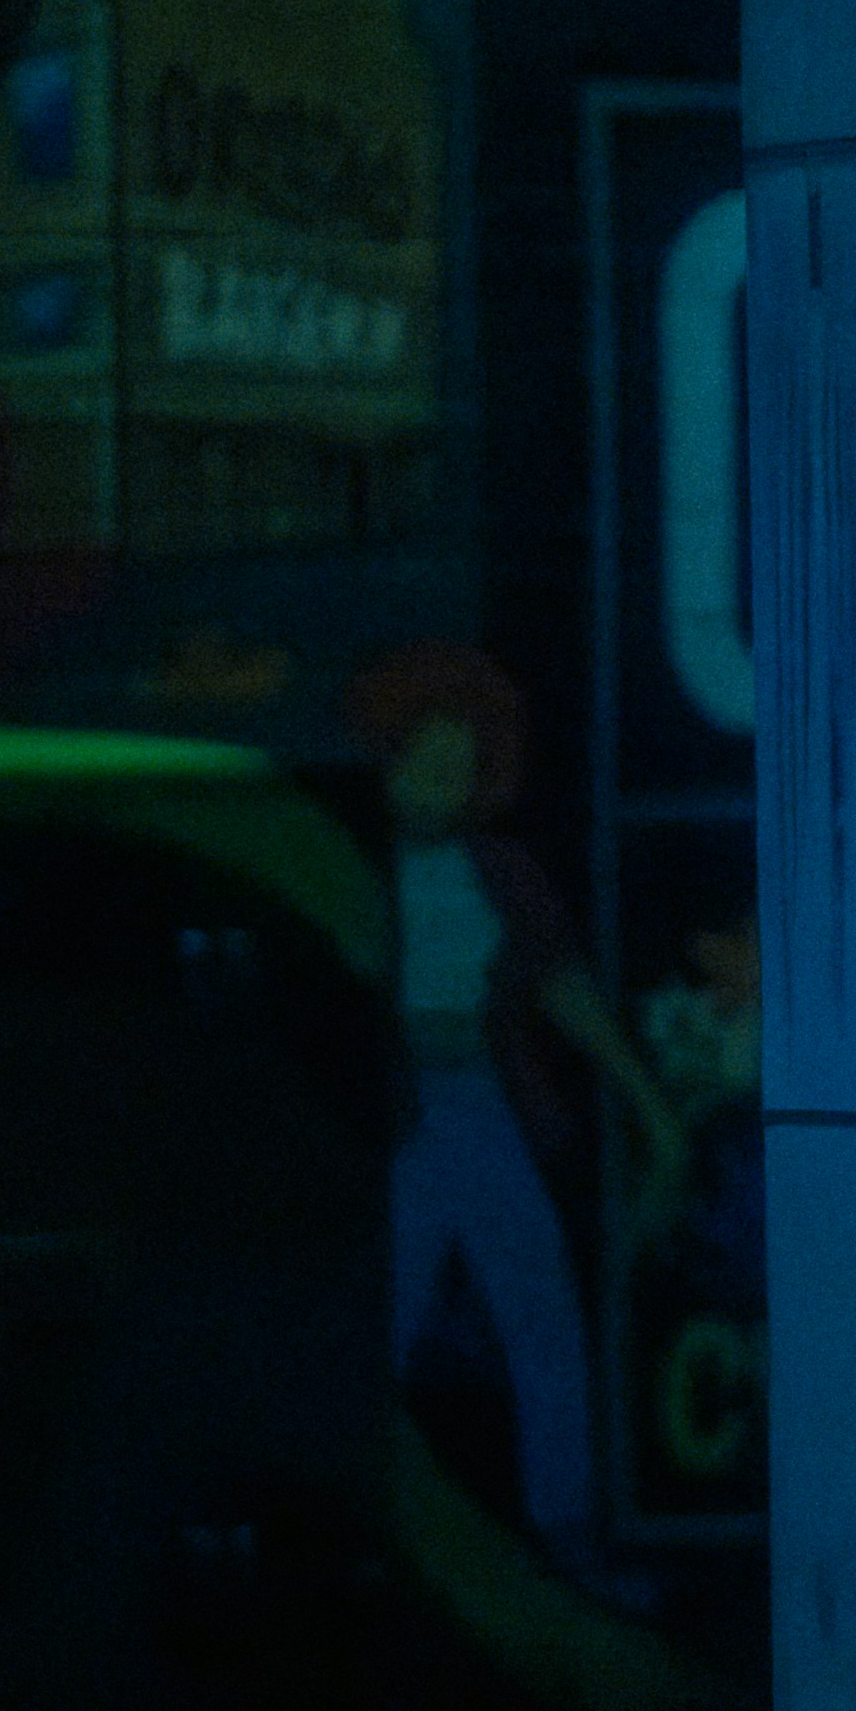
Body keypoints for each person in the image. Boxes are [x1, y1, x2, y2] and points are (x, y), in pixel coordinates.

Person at [341, 644, 683, 1565]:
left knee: (543, 1323)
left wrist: (648, 1105)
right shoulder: (346, 863)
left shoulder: (503, 874)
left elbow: (563, 992)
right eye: (423, 759)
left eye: (460, 765)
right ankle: (369, 1537)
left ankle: (566, 1545)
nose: (439, 780)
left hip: (480, 1109)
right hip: (390, 1120)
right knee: (382, 1325)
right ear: (386, 755)